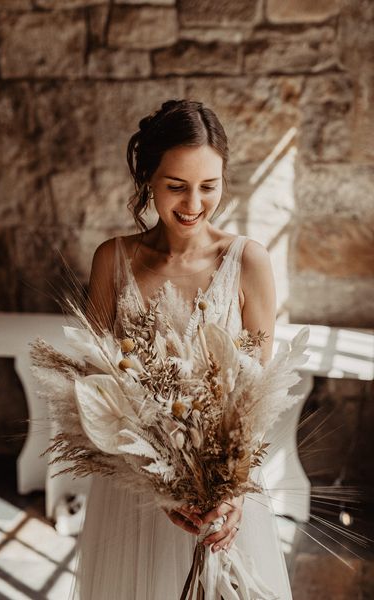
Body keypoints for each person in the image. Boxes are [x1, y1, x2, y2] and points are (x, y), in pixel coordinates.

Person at [74, 99, 292, 599]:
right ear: (148, 178)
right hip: (133, 494)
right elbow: (95, 385)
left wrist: (231, 493)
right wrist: (156, 484)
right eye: (176, 186)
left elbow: (254, 401)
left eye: (208, 187)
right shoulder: (113, 260)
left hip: (221, 497)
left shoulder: (248, 263)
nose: (193, 203)